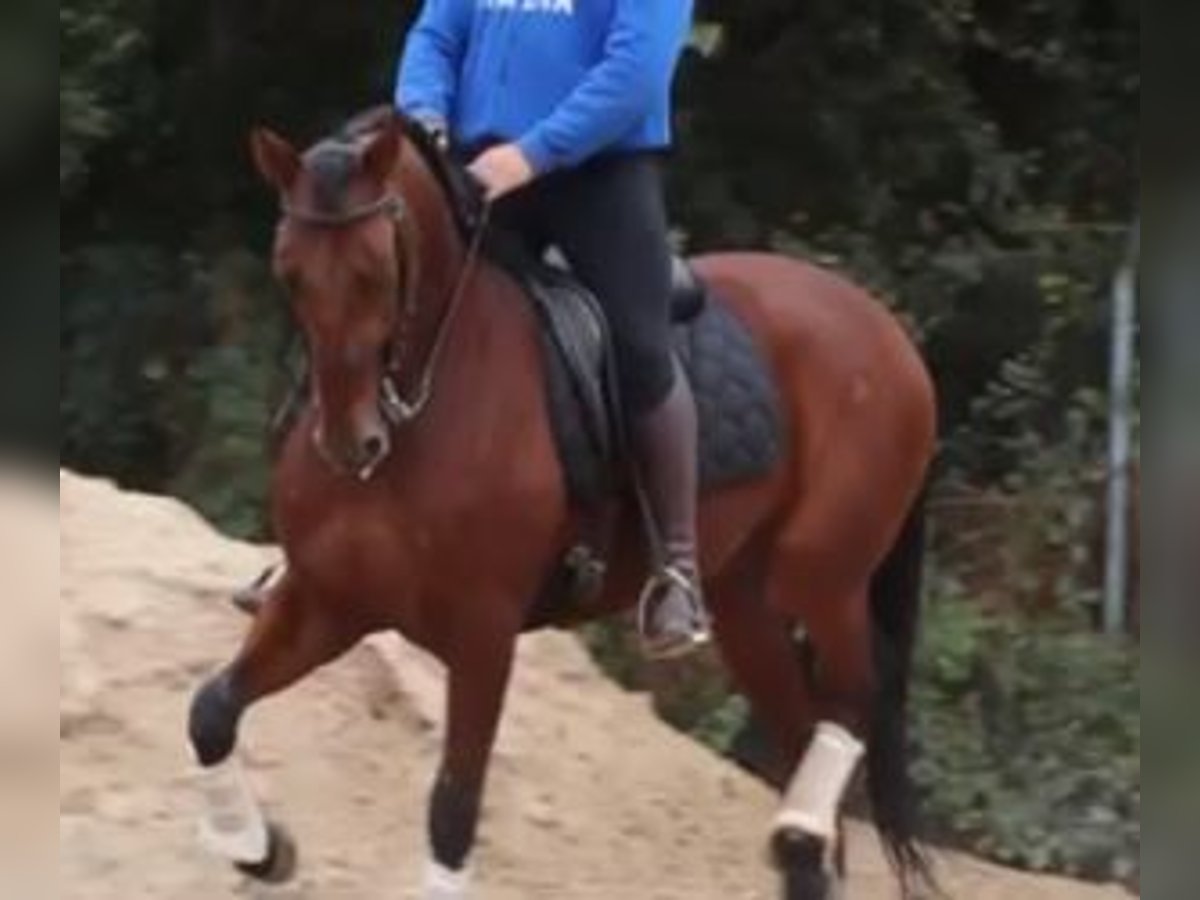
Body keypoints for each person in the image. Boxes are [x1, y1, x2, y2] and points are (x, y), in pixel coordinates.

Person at [396, 0, 708, 658]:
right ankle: (342, 528)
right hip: (480, 167)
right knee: (401, 310)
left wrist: (534, 154)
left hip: (599, 174)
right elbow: (436, 32)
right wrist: (423, 113)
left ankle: (676, 568)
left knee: (637, 343)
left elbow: (637, 71)